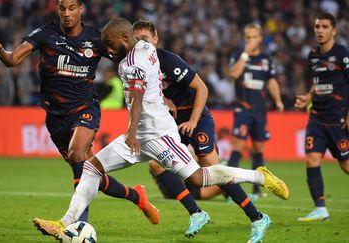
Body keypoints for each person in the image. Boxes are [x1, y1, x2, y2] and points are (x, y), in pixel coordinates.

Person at [47, 17, 289, 241]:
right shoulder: (146, 49)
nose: (108, 51)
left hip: (159, 135)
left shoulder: (133, 62)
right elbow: (152, 83)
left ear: (124, 38)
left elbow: (139, 98)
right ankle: (65, 222)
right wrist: (162, 100)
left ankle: (259, 176)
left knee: (199, 177)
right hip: (141, 136)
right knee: (91, 167)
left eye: (110, 44)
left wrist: (130, 133)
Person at [0, 0, 160, 237]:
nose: (67, 14)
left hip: (85, 108)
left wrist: (159, 90)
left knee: (78, 154)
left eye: (71, 8)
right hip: (56, 117)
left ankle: (76, 227)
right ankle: (136, 196)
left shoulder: (96, 39)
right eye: (62, 9)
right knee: (90, 173)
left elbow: (130, 60)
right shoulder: (45, 34)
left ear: (81, 10)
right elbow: (13, 60)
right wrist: (0, 52)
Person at [132, 20, 274, 242]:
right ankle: (196, 213)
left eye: (145, 39)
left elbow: (202, 88)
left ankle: (257, 217)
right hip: (172, 121)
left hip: (196, 117)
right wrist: (166, 100)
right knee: (156, 164)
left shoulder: (168, 61)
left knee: (211, 166)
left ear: (155, 40)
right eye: (137, 40)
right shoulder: (137, 65)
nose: (140, 43)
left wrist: (194, 120)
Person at [295, 12, 349, 222]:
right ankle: (320, 208)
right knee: (312, 159)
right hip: (316, 117)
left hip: (337, 120)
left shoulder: (342, 54)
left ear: (334, 30)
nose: (320, 30)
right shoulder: (313, 55)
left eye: (325, 27)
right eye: (317, 27)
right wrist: (307, 97)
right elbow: (317, 83)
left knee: (345, 166)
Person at [227, 23, 284, 201]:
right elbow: (234, 74)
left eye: (254, 37)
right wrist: (245, 54)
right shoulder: (238, 55)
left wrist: (278, 101)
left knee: (259, 149)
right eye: (247, 38)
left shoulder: (266, 59)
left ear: (260, 39)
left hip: (260, 112)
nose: (250, 41)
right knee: (237, 147)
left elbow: (272, 81)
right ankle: (230, 190)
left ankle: (256, 190)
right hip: (242, 109)